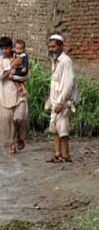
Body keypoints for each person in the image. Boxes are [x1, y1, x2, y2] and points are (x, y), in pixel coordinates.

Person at [46, 34, 78, 163]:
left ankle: (66, 155)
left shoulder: (65, 61)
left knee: (63, 129)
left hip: (63, 102)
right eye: (49, 47)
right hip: (55, 101)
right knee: (54, 128)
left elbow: (69, 83)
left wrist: (60, 102)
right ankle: (57, 154)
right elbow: (54, 83)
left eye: (53, 46)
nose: (51, 49)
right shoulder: (55, 61)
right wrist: (49, 102)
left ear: (61, 46)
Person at [0, 36, 28, 154]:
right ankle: (12, 144)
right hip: (4, 94)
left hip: (19, 93)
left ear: (11, 48)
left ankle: (19, 136)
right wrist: (12, 66)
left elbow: (26, 75)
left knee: (19, 118)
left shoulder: (19, 57)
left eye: (7, 48)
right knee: (7, 121)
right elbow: (0, 77)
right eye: (2, 48)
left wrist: (14, 75)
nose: (5, 51)